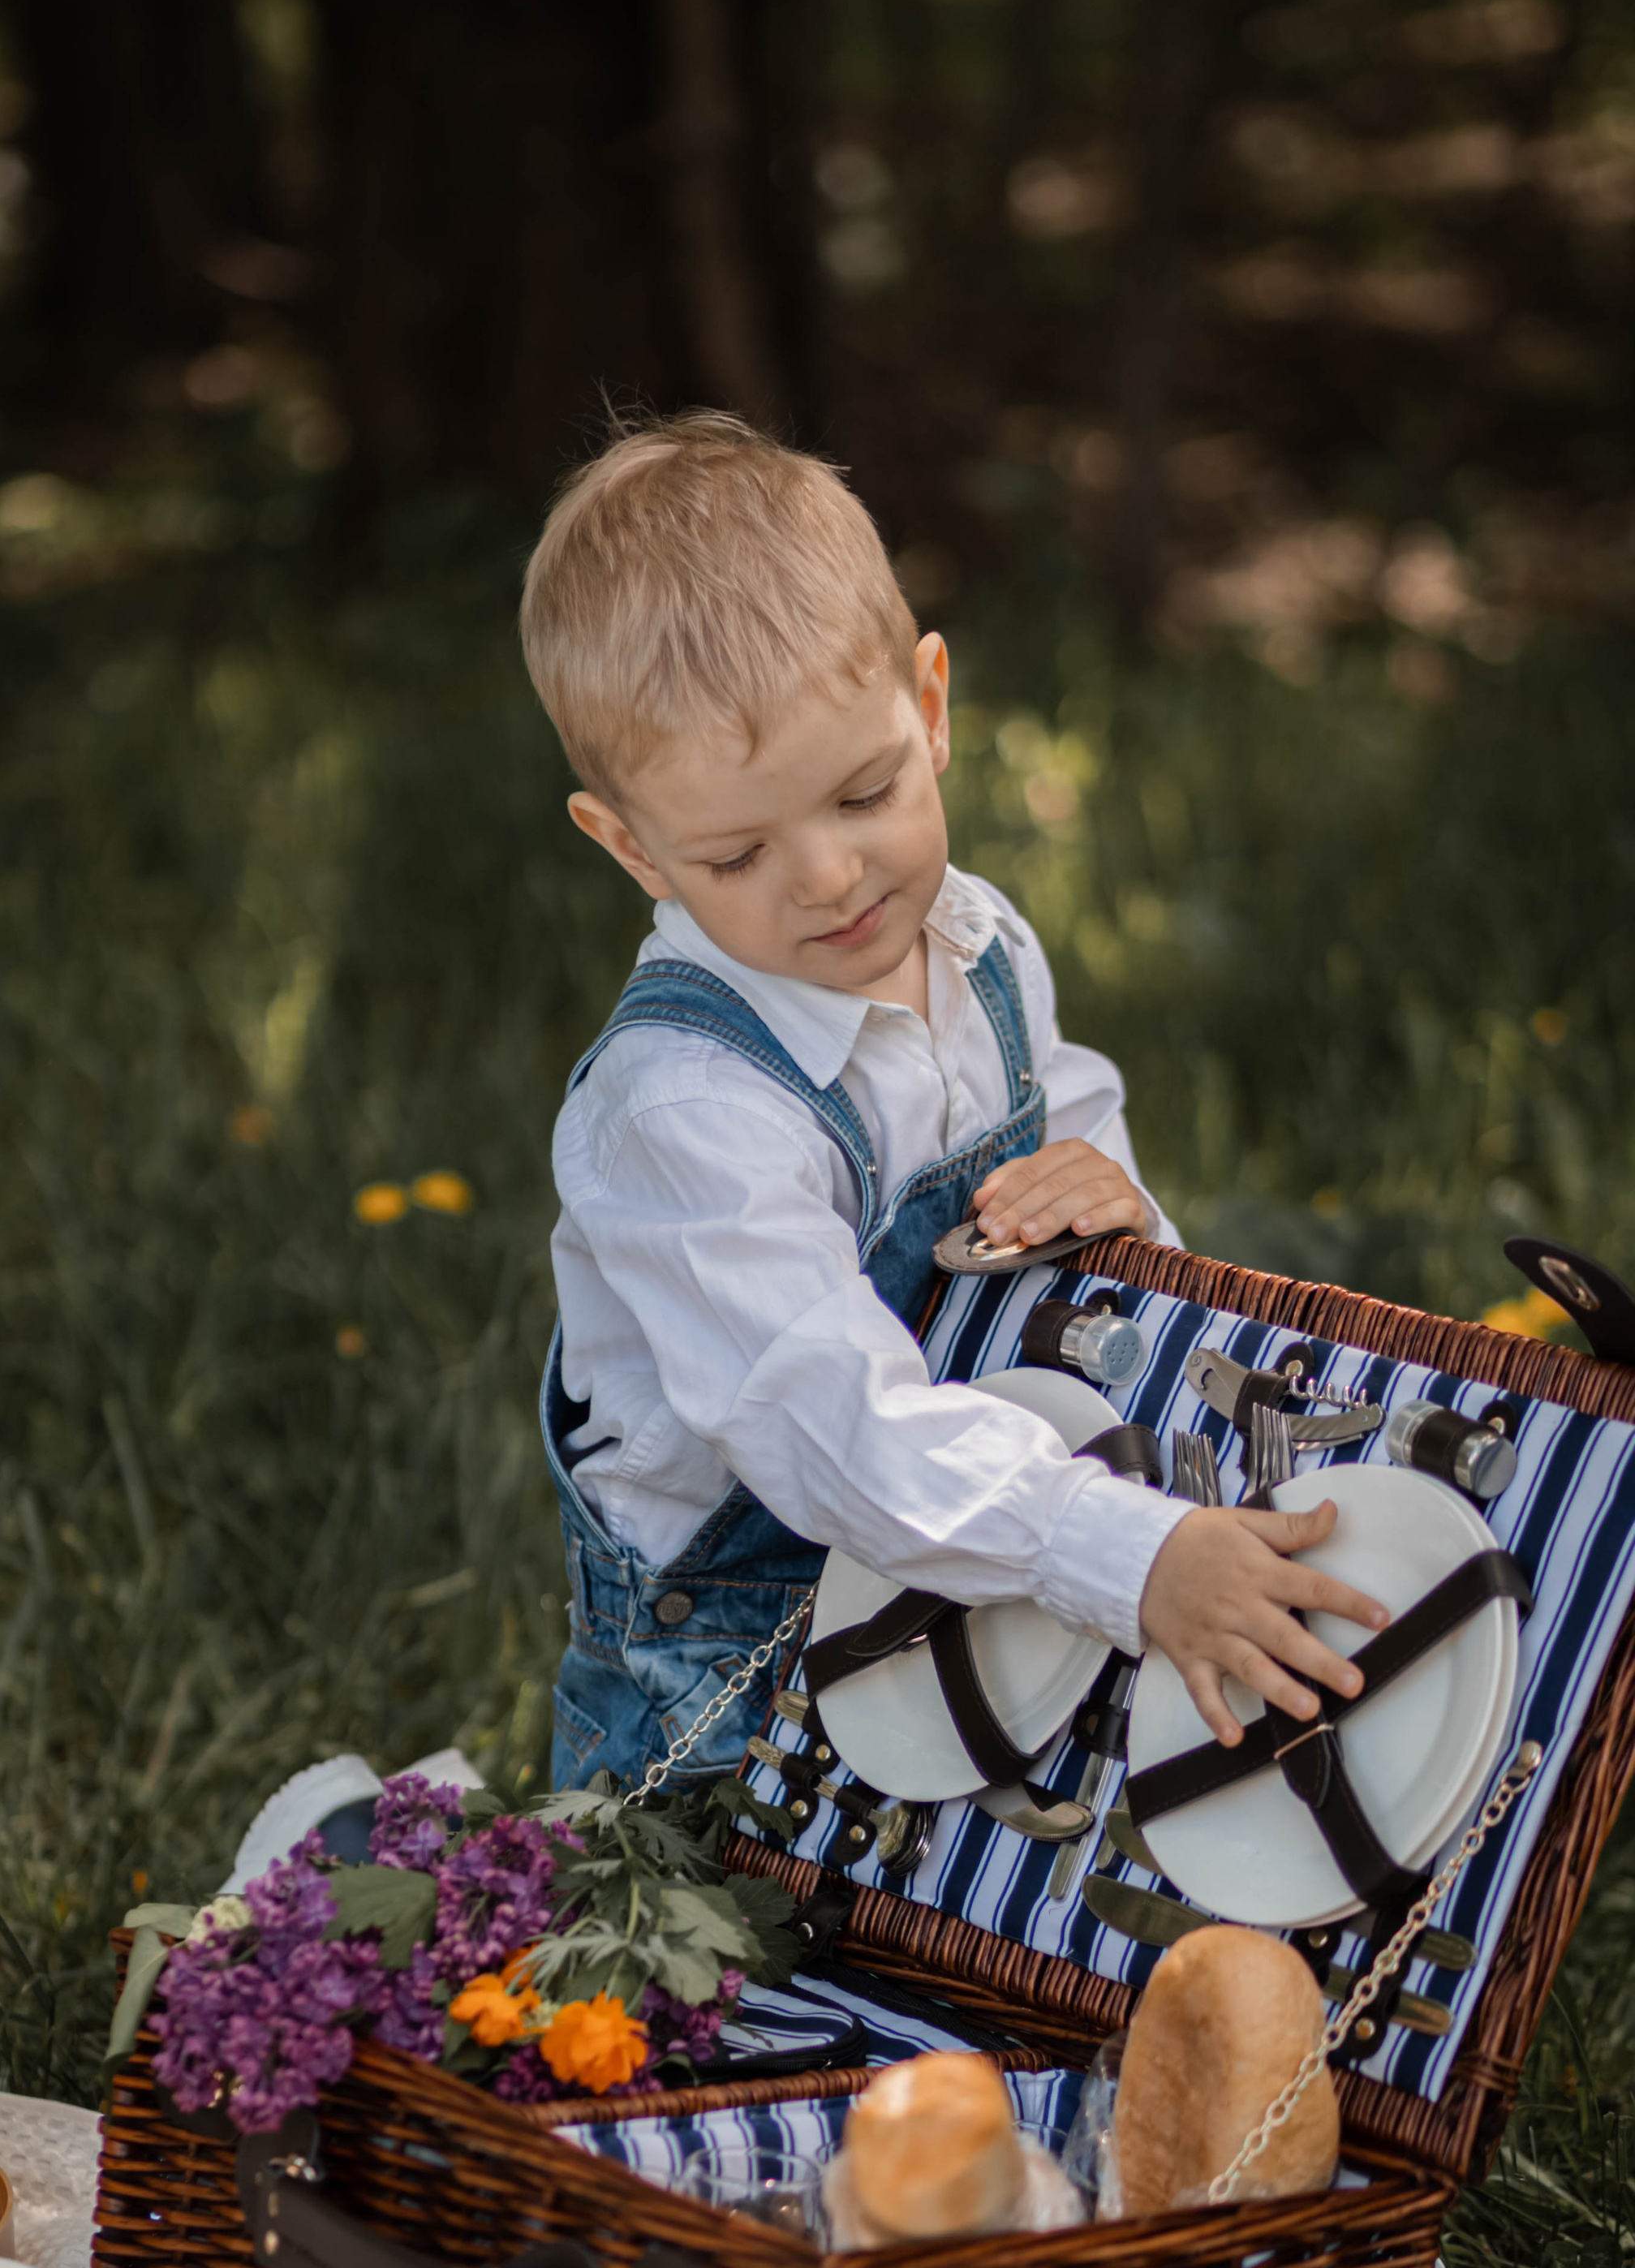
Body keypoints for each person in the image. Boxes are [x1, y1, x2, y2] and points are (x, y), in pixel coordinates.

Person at [521, 412, 1386, 1792]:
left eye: (863, 793)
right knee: (734, 2002)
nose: (827, 878)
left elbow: (1078, 1127)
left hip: (990, 1571)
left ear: (930, 711)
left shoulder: (979, 947)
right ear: (632, 850)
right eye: (737, 853)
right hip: (740, 1678)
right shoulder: (679, 1112)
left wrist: (1112, 1207)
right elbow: (836, 1436)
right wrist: (1129, 1551)